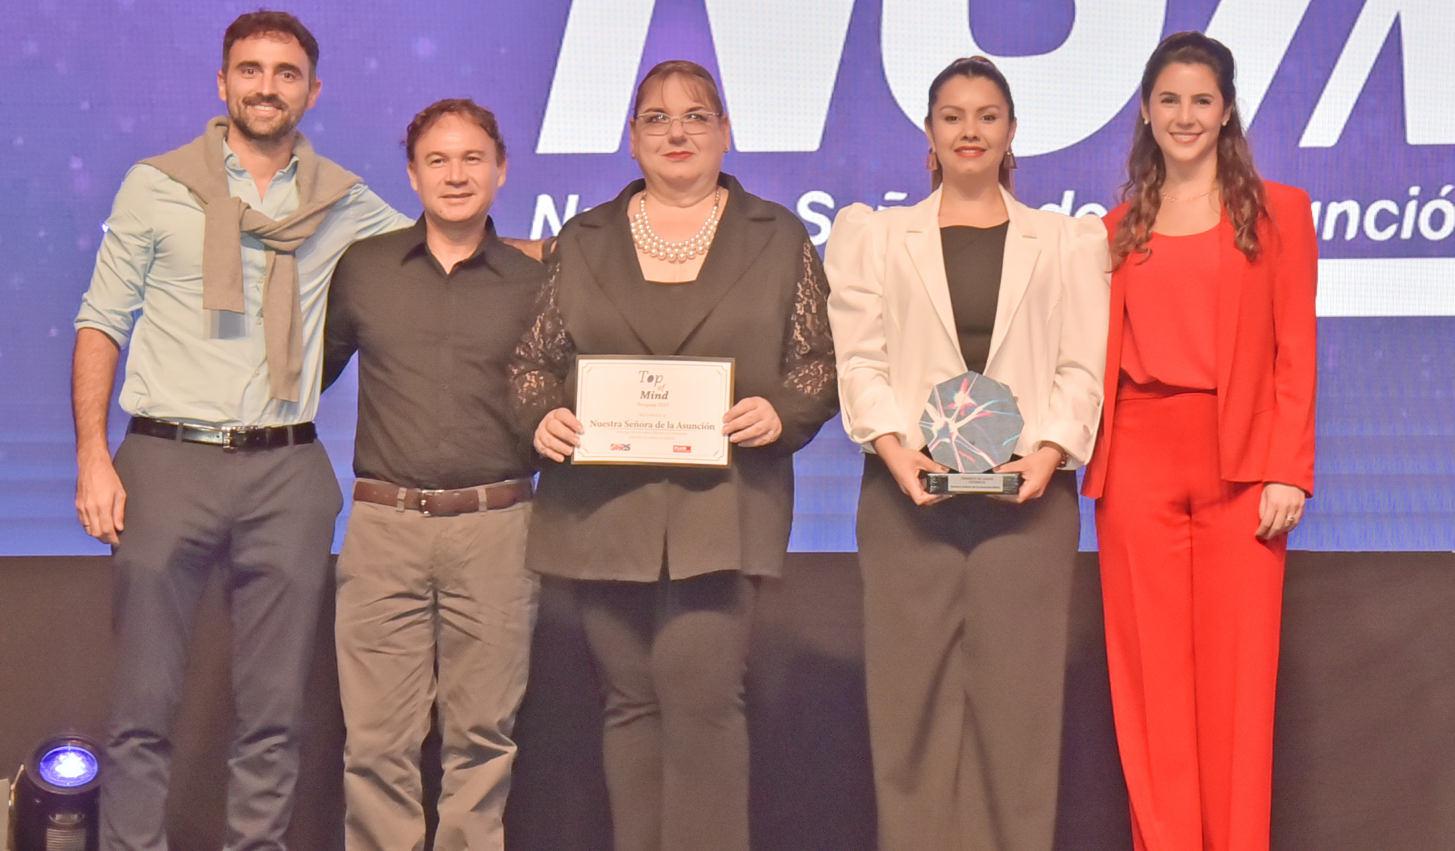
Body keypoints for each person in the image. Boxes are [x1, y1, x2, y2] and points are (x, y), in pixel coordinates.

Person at [70, 11, 411, 847]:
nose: (267, 87)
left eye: (286, 73)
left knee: (274, 712)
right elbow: (101, 322)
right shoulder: (156, 184)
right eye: (250, 70)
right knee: (142, 706)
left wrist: (586, 248)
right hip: (165, 460)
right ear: (222, 84)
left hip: (286, 470)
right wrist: (91, 456)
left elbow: (443, 248)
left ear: (312, 91)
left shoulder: (342, 200)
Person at [508, 59, 836, 851]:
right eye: (656, 118)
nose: (676, 132)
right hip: (602, 510)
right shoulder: (583, 238)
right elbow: (531, 363)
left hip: (723, 505)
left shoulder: (776, 235)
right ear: (631, 138)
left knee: (702, 698)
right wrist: (541, 416)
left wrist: (781, 410)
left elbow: (817, 366)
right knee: (628, 704)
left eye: (695, 116)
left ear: (725, 132)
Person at [824, 56, 1109, 850]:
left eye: (986, 116)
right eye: (952, 116)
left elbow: (1081, 367)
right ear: (929, 132)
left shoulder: (1067, 240)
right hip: (905, 500)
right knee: (908, 708)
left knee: (1019, 713)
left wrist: (1047, 455)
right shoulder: (875, 237)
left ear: (1011, 130)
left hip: (1028, 503)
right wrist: (894, 449)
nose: (969, 131)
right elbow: (860, 360)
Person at [1081, 31, 1318, 851]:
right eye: (1169, 100)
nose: (1184, 116)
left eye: (1201, 100)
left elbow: (1294, 352)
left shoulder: (1279, 213)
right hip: (1137, 465)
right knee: (1150, 685)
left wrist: (1288, 468)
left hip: (1243, 466)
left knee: (1236, 686)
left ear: (1225, 112)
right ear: (1146, 113)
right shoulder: (1113, 229)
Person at [321, 98, 542, 851]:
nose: (455, 175)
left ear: (501, 170)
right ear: (412, 175)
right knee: (375, 742)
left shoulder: (535, 281)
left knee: (483, 739)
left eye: (472, 158)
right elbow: (300, 377)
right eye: (437, 160)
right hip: (385, 528)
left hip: (499, 528)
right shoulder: (364, 268)